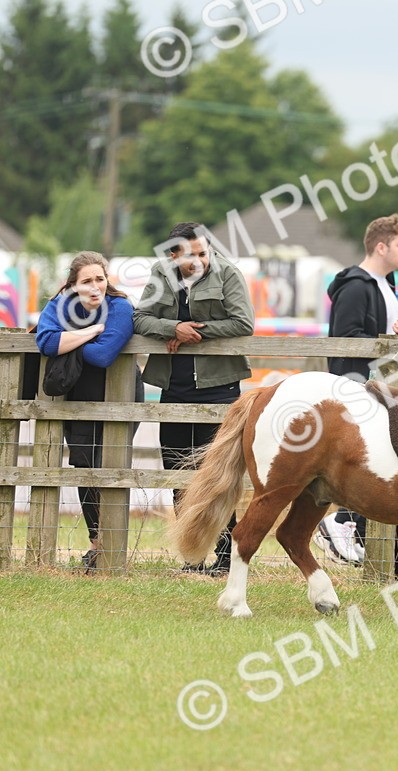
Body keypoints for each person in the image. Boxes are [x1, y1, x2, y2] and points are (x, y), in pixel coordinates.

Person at [133, 222, 255, 576]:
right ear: (173, 254)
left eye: (204, 252)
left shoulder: (228, 273)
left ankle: (227, 557)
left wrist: (193, 334)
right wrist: (173, 329)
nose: (201, 260)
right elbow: (141, 318)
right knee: (177, 470)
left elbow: (242, 323)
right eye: (191, 255)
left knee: (218, 474)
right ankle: (192, 556)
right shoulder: (160, 274)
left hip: (219, 384)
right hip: (173, 384)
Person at [34, 251, 144, 572]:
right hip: (78, 394)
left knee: (108, 462)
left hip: (118, 395)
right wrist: (90, 332)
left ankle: (112, 546)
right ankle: (96, 542)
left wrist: (70, 339)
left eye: (100, 279)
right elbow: (46, 342)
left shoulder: (121, 307)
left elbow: (103, 355)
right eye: (87, 281)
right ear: (73, 285)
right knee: (83, 463)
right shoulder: (59, 305)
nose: (95, 286)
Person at [316, 214, 398, 565]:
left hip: (379, 383)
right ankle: (340, 521)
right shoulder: (356, 285)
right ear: (381, 246)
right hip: (357, 386)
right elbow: (347, 340)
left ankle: (348, 524)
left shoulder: (386, 283)